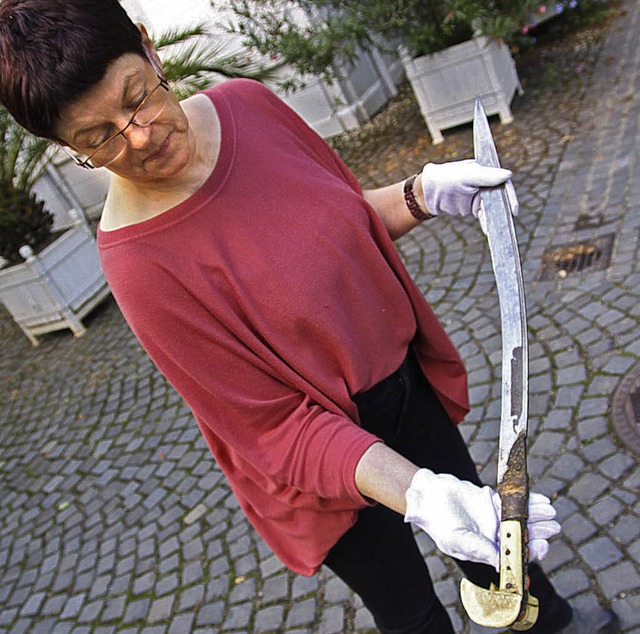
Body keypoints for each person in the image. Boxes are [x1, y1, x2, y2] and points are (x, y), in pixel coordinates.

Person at [0, 2, 619, 632]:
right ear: (62, 146)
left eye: (136, 98)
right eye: (96, 138)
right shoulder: (138, 263)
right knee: (411, 613)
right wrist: (421, 495)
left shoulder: (249, 106)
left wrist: (423, 193)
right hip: (316, 468)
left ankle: (556, 626)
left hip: (399, 387)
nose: (138, 137)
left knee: (492, 541)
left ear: (148, 46)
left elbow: (341, 220)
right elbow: (276, 430)